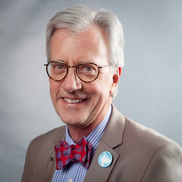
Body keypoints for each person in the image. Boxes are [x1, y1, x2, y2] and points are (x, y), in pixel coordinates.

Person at [21, 5, 182, 182]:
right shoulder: (36, 150)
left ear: (113, 80)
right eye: (59, 66)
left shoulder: (156, 157)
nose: (70, 85)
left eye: (88, 68)